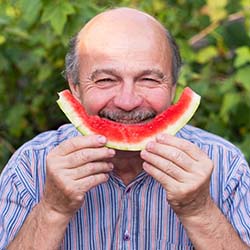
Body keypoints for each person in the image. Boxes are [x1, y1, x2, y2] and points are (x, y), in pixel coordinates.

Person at [0, 7, 249, 250]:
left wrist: (200, 211)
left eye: (149, 79)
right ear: (75, 87)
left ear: (173, 86)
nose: (127, 102)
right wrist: (52, 209)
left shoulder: (225, 165)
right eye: (106, 80)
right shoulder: (30, 165)